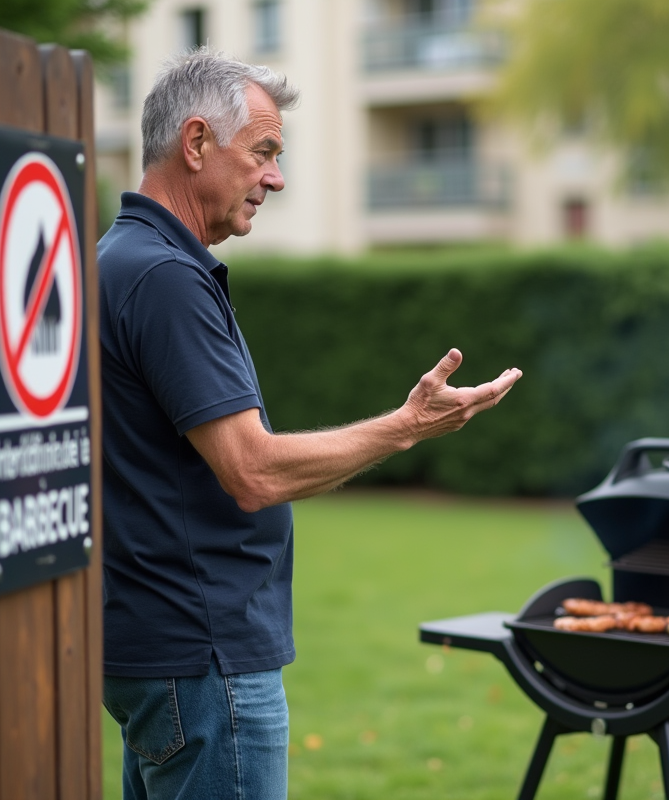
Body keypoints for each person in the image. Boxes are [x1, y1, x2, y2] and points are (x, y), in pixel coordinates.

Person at [96, 47, 522, 800]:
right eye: (262, 152)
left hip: (160, 652)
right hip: (206, 658)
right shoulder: (164, 276)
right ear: (196, 144)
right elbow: (252, 471)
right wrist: (406, 426)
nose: (276, 177)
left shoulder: (120, 257)